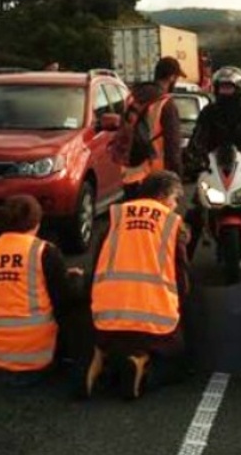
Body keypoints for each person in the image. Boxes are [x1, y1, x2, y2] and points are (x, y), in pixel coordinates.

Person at [84, 171, 191, 400]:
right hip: (154, 323)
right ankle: (143, 371)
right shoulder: (172, 223)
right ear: (163, 196)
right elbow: (181, 276)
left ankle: (100, 361)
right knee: (179, 362)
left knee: (115, 342)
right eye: (174, 199)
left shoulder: (117, 216)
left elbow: (97, 264)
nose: (175, 205)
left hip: (106, 318)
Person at [0, 195, 80, 382]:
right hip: (39, 359)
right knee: (77, 302)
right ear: (37, 223)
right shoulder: (44, 251)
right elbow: (63, 298)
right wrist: (71, 279)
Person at [188, 66, 241, 247]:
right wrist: (196, 155)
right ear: (216, 88)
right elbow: (199, 136)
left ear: (240, 88)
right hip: (215, 163)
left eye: (230, 87)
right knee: (197, 205)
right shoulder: (209, 112)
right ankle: (185, 251)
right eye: (222, 87)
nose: (225, 91)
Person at [117, 57, 185, 200]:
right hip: (156, 179)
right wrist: (177, 175)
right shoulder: (166, 104)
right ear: (172, 77)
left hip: (130, 174)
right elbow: (172, 145)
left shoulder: (132, 97)